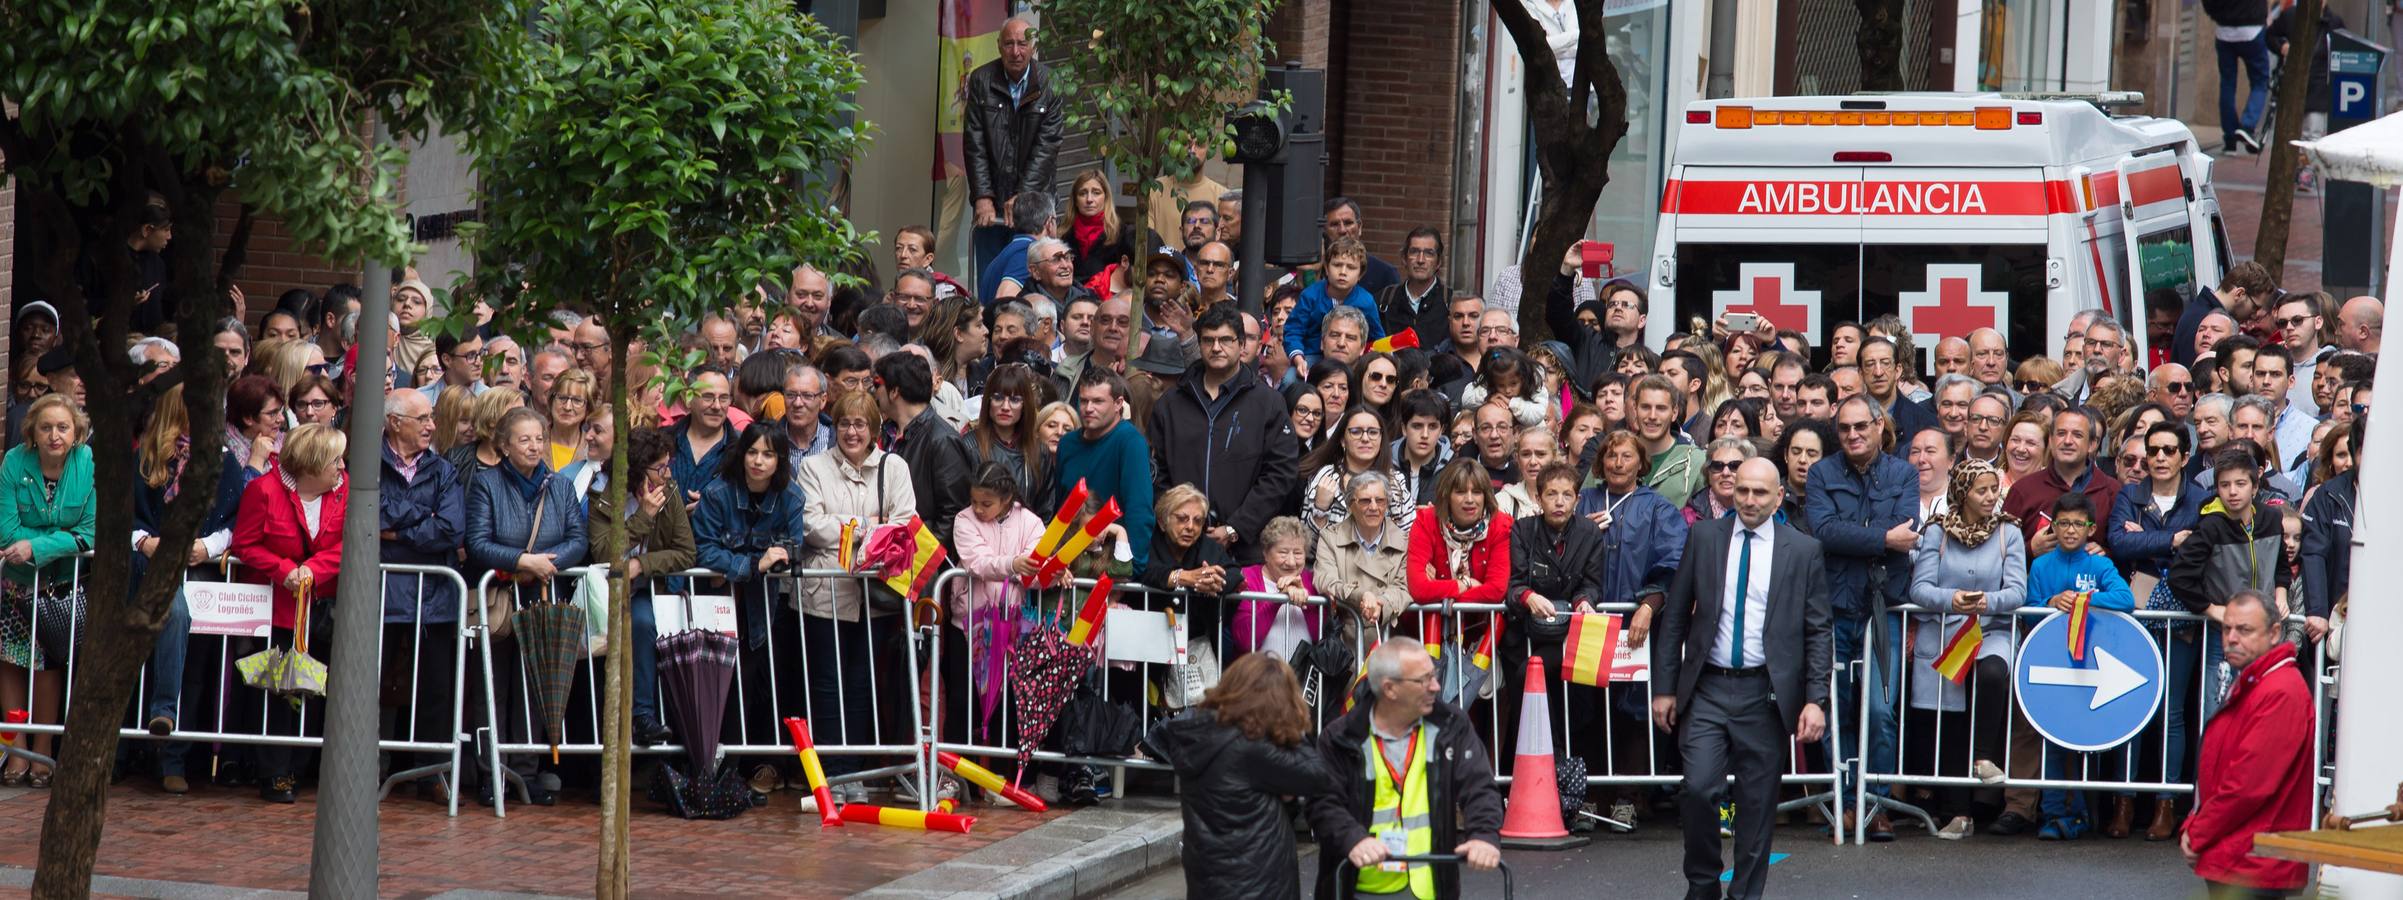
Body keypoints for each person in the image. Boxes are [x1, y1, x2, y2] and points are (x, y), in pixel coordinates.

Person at [1652, 458, 1830, 900]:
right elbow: (1675, 617)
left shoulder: (1803, 549)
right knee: (1697, 789)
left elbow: (1818, 628)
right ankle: (1703, 885)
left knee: (1756, 806)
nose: (1749, 500)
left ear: (1779, 497)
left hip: (1765, 694)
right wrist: (1664, 689)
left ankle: (1746, 895)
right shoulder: (1704, 537)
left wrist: (1816, 698)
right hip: (1707, 688)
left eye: (1760, 493)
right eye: (1743, 490)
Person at [1308, 637, 1505, 900]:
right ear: (1390, 689)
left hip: (1429, 889)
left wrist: (1484, 834)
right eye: (1423, 680)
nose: (1436, 686)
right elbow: (1321, 801)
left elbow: (1479, 784)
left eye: (1433, 676)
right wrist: (1352, 838)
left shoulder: (1450, 724)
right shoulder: (1341, 737)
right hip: (1361, 887)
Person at [791, 394, 913, 801]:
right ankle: (832, 773)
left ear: (875, 430)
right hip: (824, 595)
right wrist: (866, 525)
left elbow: (902, 525)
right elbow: (811, 525)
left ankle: (854, 774)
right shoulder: (813, 467)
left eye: (861, 424)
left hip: (874, 597)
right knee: (827, 684)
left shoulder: (894, 467)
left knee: (863, 684)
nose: (852, 432)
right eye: (844, 423)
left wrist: (848, 527)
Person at [463, 408, 587, 806]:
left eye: (538, 439)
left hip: (542, 594)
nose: (534, 446)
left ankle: (528, 771)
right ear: (504, 445)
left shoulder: (561, 486)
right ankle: (492, 772)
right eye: (524, 439)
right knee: (493, 686)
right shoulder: (485, 484)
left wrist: (547, 564)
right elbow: (478, 542)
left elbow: (577, 538)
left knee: (535, 682)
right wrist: (520, 561)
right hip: (500, 594)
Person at [1805, 394, 1915, 840]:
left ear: (1877, 426)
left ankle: (1877, 802)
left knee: (1881, 711)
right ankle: (1846, 802)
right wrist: (1880, 538)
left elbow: (1906, 532)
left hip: (1881, 607)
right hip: (1833, 607)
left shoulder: (1903, 472)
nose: (1852, 435)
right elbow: (1823, 531)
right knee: (1837, 710)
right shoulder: (1821, 472)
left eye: (1860, 427)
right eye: (1844, 428)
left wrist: (1873, 538)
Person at [130, 385, 247, 793]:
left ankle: (175, 757)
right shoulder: (146, 457)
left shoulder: (222, 460)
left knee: (196, 665)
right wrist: (144, 541)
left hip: (202, 571)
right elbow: (121, 514)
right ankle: (159, 720)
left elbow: (237, 518)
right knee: (173, 614)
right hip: (149, 567)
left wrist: (207, 547)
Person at [1905, 457, 2028, 842]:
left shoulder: (2009, 533)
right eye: (1982, 490)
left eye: (1994, 488)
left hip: (1989, 629)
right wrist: (1952, 599)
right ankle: (1959, 813)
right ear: (1962, 493)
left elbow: (2018, 590)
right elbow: (1919, 588)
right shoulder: (1936, 533)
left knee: (1992, 672)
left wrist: (1985, 603)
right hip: (1945, 634)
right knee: (1951, 721)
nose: (1991, 496)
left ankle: (1984, 756)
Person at [1147, 653, 1336, 900]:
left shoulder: (1204, 732)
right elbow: (1319, 774)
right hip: (1257, 883)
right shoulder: (1250, 747)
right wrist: (1291, 729)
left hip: (1209, 878)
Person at [229, 422, 350, 803]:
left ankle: (306, 767)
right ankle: (275, 772)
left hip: (324, 607)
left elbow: (352, 541)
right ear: (313, 464)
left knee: (319, 690)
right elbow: (245, 544)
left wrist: (315, 570)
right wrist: (284, 571)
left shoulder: (344, 491)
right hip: (277, 608)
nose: (341, 467)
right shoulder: (263, 490)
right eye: (334, 460)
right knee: (279, 694)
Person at [2183, 590, 2313, 898]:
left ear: (2274, 633)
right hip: (2242, 854)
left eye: (2244, 630)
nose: (2231, 638)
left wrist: (2197, 832)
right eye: (2227, 628)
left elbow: (2248, 785)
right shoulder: (2257, 681)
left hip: (2253, 861)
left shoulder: (2279, 690)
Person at [2025, 491, 2136, 840]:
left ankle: (2083, 814)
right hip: (2052, 663)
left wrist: (2085, 600)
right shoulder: (2042, 565)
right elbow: (2029, 608)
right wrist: (2051, 602)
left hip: (2090, 664)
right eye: (2063, 524)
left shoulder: (2099, 564)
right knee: (2054, 738)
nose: (2070, 531)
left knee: (2086, 738)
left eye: (2077, 524)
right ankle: (2052, 813)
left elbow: (2125, 598)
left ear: (2090, 529)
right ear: (2053, 527)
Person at [1149, 305, 1298, 564]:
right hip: (1178, 549)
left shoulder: (1268, 403)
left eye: (1225, 340)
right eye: (1208, 340)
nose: (1216, 347)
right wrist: (1179, 520)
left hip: (1244, 553)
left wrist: (1235, 528)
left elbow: (1280, 473)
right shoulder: (1171, 403)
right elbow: (1156, 471)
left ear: (1242, 345)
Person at [0, 395, 96, 788]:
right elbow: (7, 532)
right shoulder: (13, 462)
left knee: (49, 667)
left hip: (63, 586)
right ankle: (16, 751)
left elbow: (89, 531)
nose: (54, 436)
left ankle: (42, 753)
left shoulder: (89, 464)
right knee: (11, 663)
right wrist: (59, 539)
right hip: (17, 585)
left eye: (63, 428)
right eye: (46, 428)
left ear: (76, 434)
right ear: (32, 433)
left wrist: (37, 546)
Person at [375, 389, 467, 798]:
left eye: (431, 418)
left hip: (434, 598)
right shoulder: (367, 462)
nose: (432, 425)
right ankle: (371, 768)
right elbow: (367, 513)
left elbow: (449, 528)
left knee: (435, 689)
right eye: (423, 418)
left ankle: (430, 774)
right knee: (378, 688)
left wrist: (397, 531)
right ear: (395, 422)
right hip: (384, 596)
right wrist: (420, 517)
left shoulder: (443, 469)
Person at [2169, 447, 2289, 720]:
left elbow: (2282, 565)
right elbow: (2180, 576)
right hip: (2223, 632)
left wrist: (2281, 595)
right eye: (2225, 485)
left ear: (2255, 486)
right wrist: (2212, 609)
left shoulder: (2271, 519)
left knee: (2262, 705)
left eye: (2240, 484)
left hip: (2264, 628)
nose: (2233, 492)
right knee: (2219, 705)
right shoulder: (2211, 525)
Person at [594, 427, 696, 748]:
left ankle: (643, 716)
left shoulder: (670, 491)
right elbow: (601, 550)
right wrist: (643, 517)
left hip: (644, 591)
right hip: (604, 591)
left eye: (668, 466)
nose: (666, 474)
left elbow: (686, 551)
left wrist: (643, 564)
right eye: (660, 468)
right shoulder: (603, 493)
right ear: (638, 470)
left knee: (642, 623)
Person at [963, 13, 1063, 272]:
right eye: (1009, 44)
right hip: (992, 203)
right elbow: (975, 144)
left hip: (1035, 203)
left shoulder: (1051, 84)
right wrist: (982, 196)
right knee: (990, 276)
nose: (1016, 51)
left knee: (1033, 276)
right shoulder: (981, 80)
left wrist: (1023, 197)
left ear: (1034, 47)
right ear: (999, 45)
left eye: (1022, 44)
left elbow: (1047, 146)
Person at [1056, 369, 1156, 568]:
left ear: (1118, 404)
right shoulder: (1067, 443)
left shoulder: (1130, 441)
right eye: (1083, 401)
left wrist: (1131, 569)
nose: (1088, 408)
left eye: (1098, 401)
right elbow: (1060, 506)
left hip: (1110, 562)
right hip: (1069, 563)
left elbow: (1139, 510)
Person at [875, 353, 972, 547]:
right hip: (887, 552)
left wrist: (919, 560)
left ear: (894, 391)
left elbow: (953, 515)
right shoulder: (885, 433)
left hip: (920, 563)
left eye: (877, 384)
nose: (874, 392)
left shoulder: (942, 440)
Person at [1314, 471, 1411, 641]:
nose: (1373, 507)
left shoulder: (1404, 541)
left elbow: (1405, 587)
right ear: (1350, 504)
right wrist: (1362, 596)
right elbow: (1325, 581)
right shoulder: (1330, 538)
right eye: (1365, 501)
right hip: (1345, 645)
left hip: (1389, 642)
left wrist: (1381, 603)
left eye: (1380, 500)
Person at [1229, 516, 1318, 658]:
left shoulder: (1311, 580)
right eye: (1283, 553)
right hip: (1258, 676)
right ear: (1265, 554)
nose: (1291, 562)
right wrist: (1279, 598)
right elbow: (1244, 640)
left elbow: (1318, 636)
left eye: (1298, 553)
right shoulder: (1248, 578)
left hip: (1301, 678)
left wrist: (1305, 600)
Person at [2204, 0, 2272, 154]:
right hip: (2252, 29)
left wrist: (2217, 16)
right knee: (2260, 82)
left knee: (2227, 84)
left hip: (2224, 31)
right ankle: (2247, 126)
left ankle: (2230, 138)